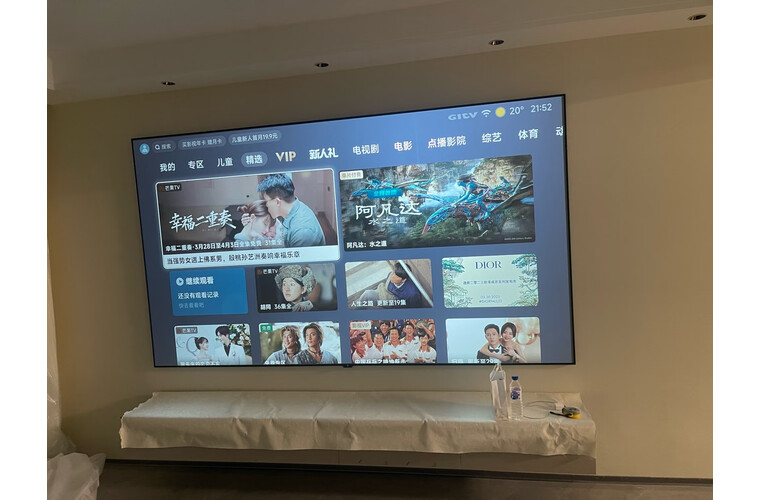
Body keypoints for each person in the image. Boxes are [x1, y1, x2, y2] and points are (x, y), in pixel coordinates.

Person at [257, 173, 325, 247]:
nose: (266, 205)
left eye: (266, 201)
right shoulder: (292, 208)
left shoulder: (301, 232)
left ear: (277, 202)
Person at [358, 262, 423, 308]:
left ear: (403, 280)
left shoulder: (412, 293)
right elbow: (385, 287)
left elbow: (414, 308)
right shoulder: (390, 275)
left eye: (397, 276)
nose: (392, 276)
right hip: (383, 295)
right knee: (368, 294)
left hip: (395, 307)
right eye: (393, 272)